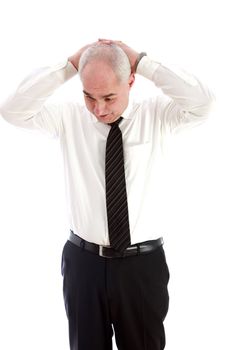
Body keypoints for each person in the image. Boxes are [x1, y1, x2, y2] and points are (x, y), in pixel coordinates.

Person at [0, 39, 215, 350]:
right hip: (83, 265)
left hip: (141, 268)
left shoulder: (158, 116)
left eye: (108, 97)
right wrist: (70, 66)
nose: (99, 109)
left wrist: (143, 63)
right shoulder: (70, 118)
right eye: (89, 96)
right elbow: (12, 110)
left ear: (130, 81)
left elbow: (204, 103)